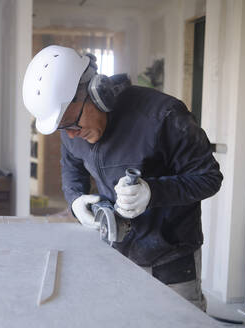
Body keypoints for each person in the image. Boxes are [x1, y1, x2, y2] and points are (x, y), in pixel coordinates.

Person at [22, 45, 223, 311]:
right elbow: (72, 171)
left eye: (72, 124)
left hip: (171, 258)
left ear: (97, 93)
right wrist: (75, 201)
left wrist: (154, 192)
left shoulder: (164, 116)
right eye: (62, 128)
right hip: (115, 254)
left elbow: (209, 177)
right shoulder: (71, 129)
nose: (70, 135)